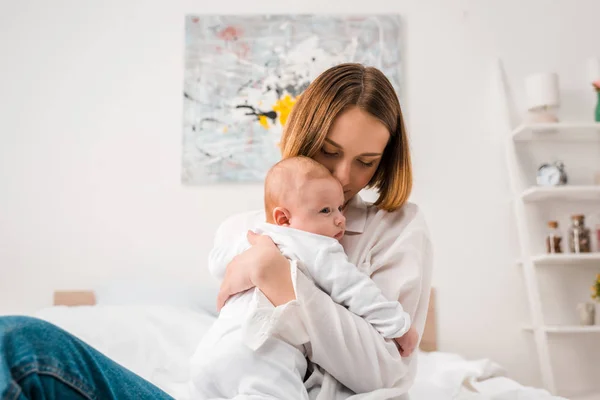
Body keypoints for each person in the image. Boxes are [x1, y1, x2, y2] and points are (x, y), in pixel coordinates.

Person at [0, 63, 432, 400]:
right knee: (17, 342)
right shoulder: (244, 230)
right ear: (304, 134)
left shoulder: (396, 228)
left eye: (366, 161)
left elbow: (387, 368)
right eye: (330, 151)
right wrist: (268, 267)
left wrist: (280, 278)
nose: (342, 176)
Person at [189, 156, 418, 399]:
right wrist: (399, 326)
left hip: (210, 353)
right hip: (262, 353)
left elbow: (216, 263)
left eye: (340, 208)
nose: (340, 218)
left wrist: (247, 254)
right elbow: (357, 290)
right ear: (284, 219)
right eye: (326, 210)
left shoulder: (255, 237)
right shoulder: (317, 246)